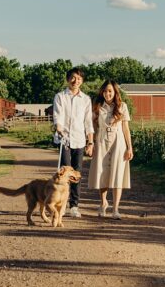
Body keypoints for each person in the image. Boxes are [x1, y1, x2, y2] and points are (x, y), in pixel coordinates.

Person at [52, 67, 94, 218]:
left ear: (82, 81)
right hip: (65, 140)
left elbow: (88, 122)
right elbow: (58, 117)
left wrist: (90, 142)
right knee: (64, 173)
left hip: (79, 140)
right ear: (68, 79)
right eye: (73, 78)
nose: (76, 81)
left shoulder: (86, 99)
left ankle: (74, 206)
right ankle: (60, 204)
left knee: (76, 173)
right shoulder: (60, 97)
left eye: (79, 79)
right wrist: (59, 130)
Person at [88, 79, 133, 219]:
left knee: (117, 173)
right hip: (102, 142)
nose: (108, 94)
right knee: (102, 174)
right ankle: (103, 204)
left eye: (110, 91)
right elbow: (93, 127)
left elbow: (126, 128)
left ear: (115, 93)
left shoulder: (122, 106)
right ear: (102, 92)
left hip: (118, 143)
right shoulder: (97, 106)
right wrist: (91, 143)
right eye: (105, 91)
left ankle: (116, 209)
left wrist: (129, 147)